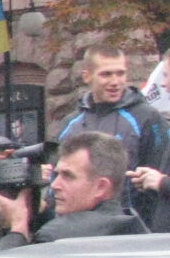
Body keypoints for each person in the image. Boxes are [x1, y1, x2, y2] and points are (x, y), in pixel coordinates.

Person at [57, 44, 169, 221]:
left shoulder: (147, 118)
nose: (115, 82)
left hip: (131, 227)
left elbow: (159, 177)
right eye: (106, 74)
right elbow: (58, 177)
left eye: (120, 73)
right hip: (78, 225)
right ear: (87, 76)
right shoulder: (70, 123)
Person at [0, 131, 148, 249]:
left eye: (68, 176)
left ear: (101, 187)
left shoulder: (57, 238)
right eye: (57, 174)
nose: (54, 185)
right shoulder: (135, 229)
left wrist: (18, 227)